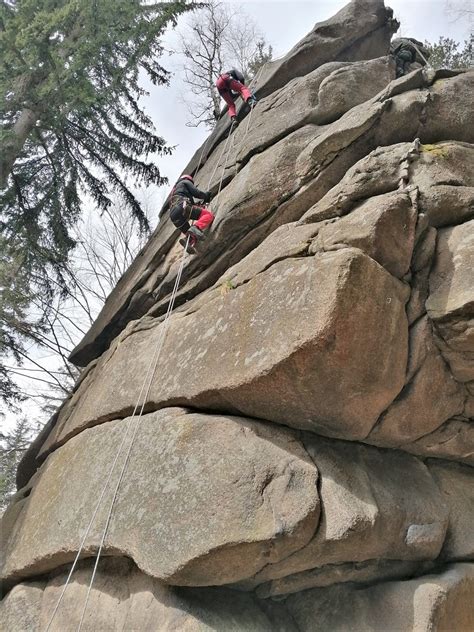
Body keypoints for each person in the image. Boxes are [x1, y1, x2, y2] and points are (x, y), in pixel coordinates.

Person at [163, 175, 214, 254]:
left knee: (191, 235)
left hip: (173, 216)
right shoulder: (185, 182)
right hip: (182, 206)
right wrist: (206, 195)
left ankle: (188, 241)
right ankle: (196, 228)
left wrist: (200, 206)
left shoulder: (174, 192)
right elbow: (196, 193)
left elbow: (192, 205)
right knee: (208, 215)